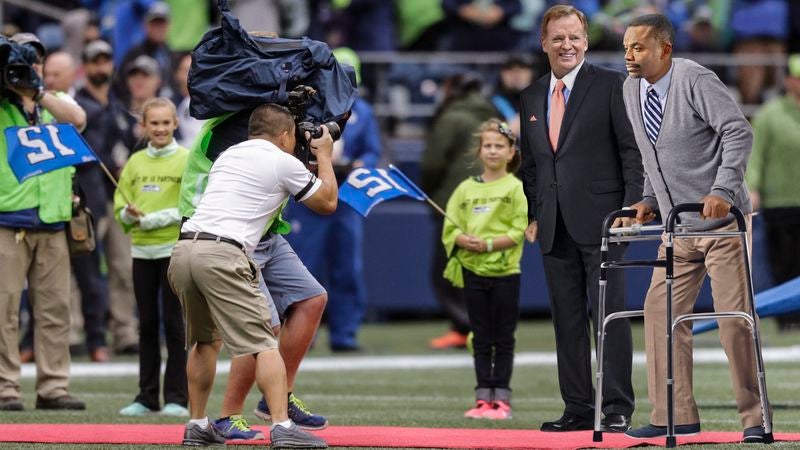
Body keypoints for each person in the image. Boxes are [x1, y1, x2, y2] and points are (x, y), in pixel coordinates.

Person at [620, 14, 769, 442]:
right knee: (660, 314)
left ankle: (755, 419)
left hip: (724, 225)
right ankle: (673, 415)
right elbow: (652, 154)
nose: (630, 55)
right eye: (626, 47)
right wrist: (649, 200)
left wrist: (723, 188)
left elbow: (738, 132)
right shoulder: (631, 88)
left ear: (664, 49)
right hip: (676, 227)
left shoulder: (694, 79)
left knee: (734, 322)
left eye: (639, 48)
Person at [168, 103, 330, 448]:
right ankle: (283, 427)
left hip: (185, 248)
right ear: (285, 136)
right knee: (265, 343)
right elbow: (327, 202)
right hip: (224, 253)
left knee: (204, 341)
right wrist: (325, 156)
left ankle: (197, 424)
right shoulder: (282, 160)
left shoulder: (228, 155)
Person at [519, 4, 643, 433]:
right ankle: (576, 407)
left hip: (606, 222)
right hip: (554, 225)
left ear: (586, 41)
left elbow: (632, 151)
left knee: (610, 317)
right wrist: (535, 213)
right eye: (557, 38)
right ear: (544, 43)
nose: (566, 45)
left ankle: (616, 408)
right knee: (566, 320)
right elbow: (532, 166)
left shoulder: (612, 84)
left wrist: (630, 209)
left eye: (574, 37)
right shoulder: (531, 96)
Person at [0, 33, 87, 411]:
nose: (28, 65)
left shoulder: (53, 103)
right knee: (3, 312)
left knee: (55, 310)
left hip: (53, 219)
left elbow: (79, 120)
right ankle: (5, 388)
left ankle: (53, 386)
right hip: (7, 217)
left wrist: (35, 92)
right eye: (20, 58)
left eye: (34, 58)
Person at [284, 47, 380, 352]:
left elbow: (373, 150)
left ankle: (344, 334)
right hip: (310, 191)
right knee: (303, 266)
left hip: (347, 192)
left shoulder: (362, 111)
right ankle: (302, 335)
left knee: (346, 267)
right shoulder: (307, 105)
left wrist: (363, 162)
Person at [442, 119, 527, 420]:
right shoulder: (465, 189)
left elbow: (519, 231)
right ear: (479, 151)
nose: (492, 151)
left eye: (499, 146)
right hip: (473, 272)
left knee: (503, 337)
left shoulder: (515, 187)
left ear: (511, 151)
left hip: (505, 274)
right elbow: (450, 229)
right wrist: (463, 239)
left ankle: (501, 398)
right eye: (487, 146)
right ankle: (482, 398)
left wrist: (489, 245)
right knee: (480, 336)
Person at [115, 98, 189, 417]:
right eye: (153, 123)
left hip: (172, 251)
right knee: (146, 324)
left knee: (174, 325)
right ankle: (146, 397)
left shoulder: (187, 159)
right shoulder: (135, 163)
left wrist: (151, 220)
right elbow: (121, 205)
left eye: (165, 123)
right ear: (143, 127)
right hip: (141, 252)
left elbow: (189, 206)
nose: (159, 129)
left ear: (175, 124)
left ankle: (177, 397)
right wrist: (129, 215)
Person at [421, 73, 497, 350]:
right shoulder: (493, 115)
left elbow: (432, 163)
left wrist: (429, 191)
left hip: (456, 202)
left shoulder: (452, 117)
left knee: (447, 269)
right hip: (492, 200)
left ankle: (464, 328)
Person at [75, 39, 140, 357]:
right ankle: (75, 331)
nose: (100, 66)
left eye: (105, 60)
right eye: (94, 60)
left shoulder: (117, 106)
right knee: (80, 267)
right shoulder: (78, 107)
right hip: (88, 197)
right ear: (85, 66)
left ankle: (124, 331)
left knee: (123, 267)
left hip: (118, 197)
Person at [746, 54, 800, 330]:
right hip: (781, 202)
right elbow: (756, 157)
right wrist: (752, 187)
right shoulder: (771, 115)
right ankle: (787, 320)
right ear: (789, 81)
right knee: (784, 262)